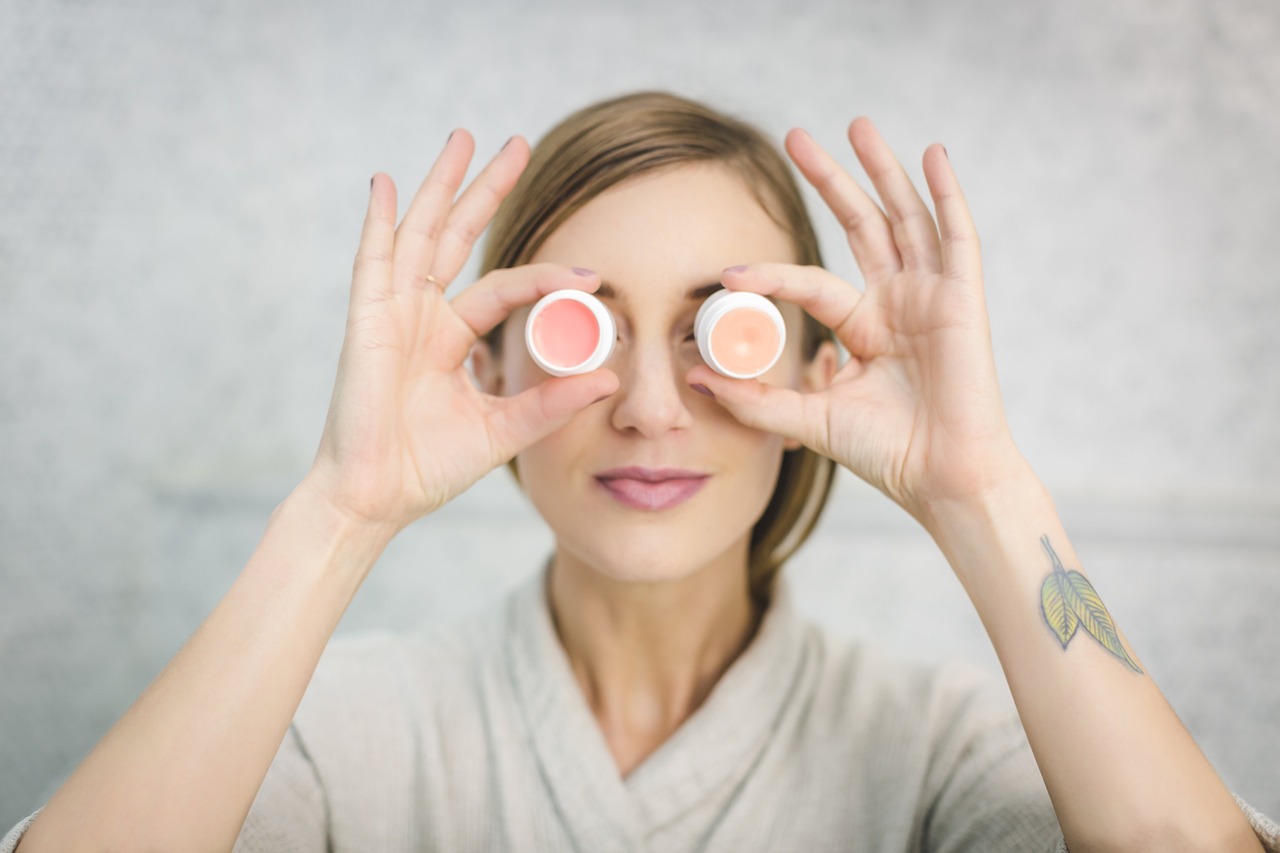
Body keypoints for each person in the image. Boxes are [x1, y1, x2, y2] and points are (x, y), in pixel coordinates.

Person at [4, 91, 1276, 853]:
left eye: (714, 329)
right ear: (490, 362)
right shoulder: (342, 733)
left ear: (812, 372)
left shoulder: (940, 750)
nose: (651, 409)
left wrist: (983, 490)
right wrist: (339, 509)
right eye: (584, 329)